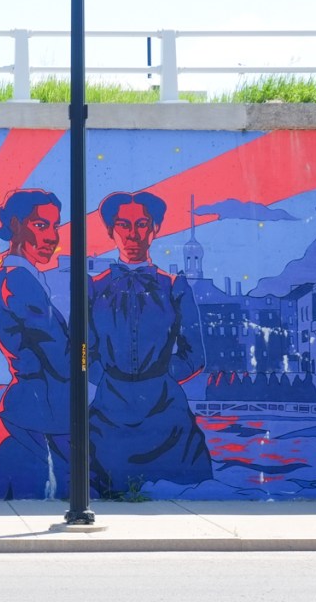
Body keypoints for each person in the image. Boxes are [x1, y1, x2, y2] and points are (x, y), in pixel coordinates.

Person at [87, 191, 213, 497]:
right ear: (110, 231)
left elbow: (195, 353)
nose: (133, 235)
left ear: (155, 228)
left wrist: (162, 377)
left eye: (142, 224)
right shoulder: (94, 286)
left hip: (167, 418)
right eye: (123, 225)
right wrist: (101, 376)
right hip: (107, 416)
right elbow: (81, 350)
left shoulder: (173, 286)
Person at [0, 189, 70, 500]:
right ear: (16, 226)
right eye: (41, 225)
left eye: (55, 226)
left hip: (34, 410)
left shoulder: (25, 278)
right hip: (36, 411)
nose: (52, 237)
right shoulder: (17, 279)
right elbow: (59, 354)